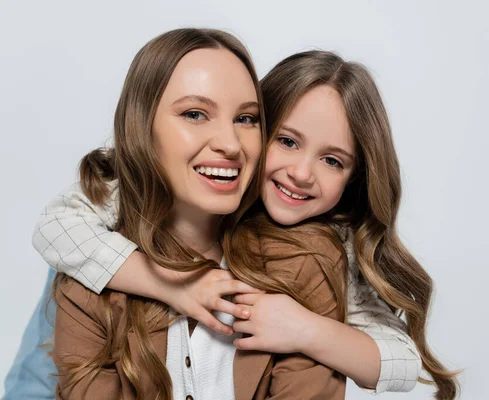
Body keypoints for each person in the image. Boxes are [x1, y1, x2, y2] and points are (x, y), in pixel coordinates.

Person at [21, 41, 458, 400]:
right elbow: (55, 228)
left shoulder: (322, 252)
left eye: (332, 160)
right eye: (286, 141)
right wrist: (173, 283)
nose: (302, 173)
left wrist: (304, 329)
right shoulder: (105, 225)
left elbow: (401, 361)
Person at [50, 28, 348, 400]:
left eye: (246, 119)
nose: (229, 144)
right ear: (141, 127)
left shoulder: (305, 262)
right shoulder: (89, 275)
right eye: (195, 114)